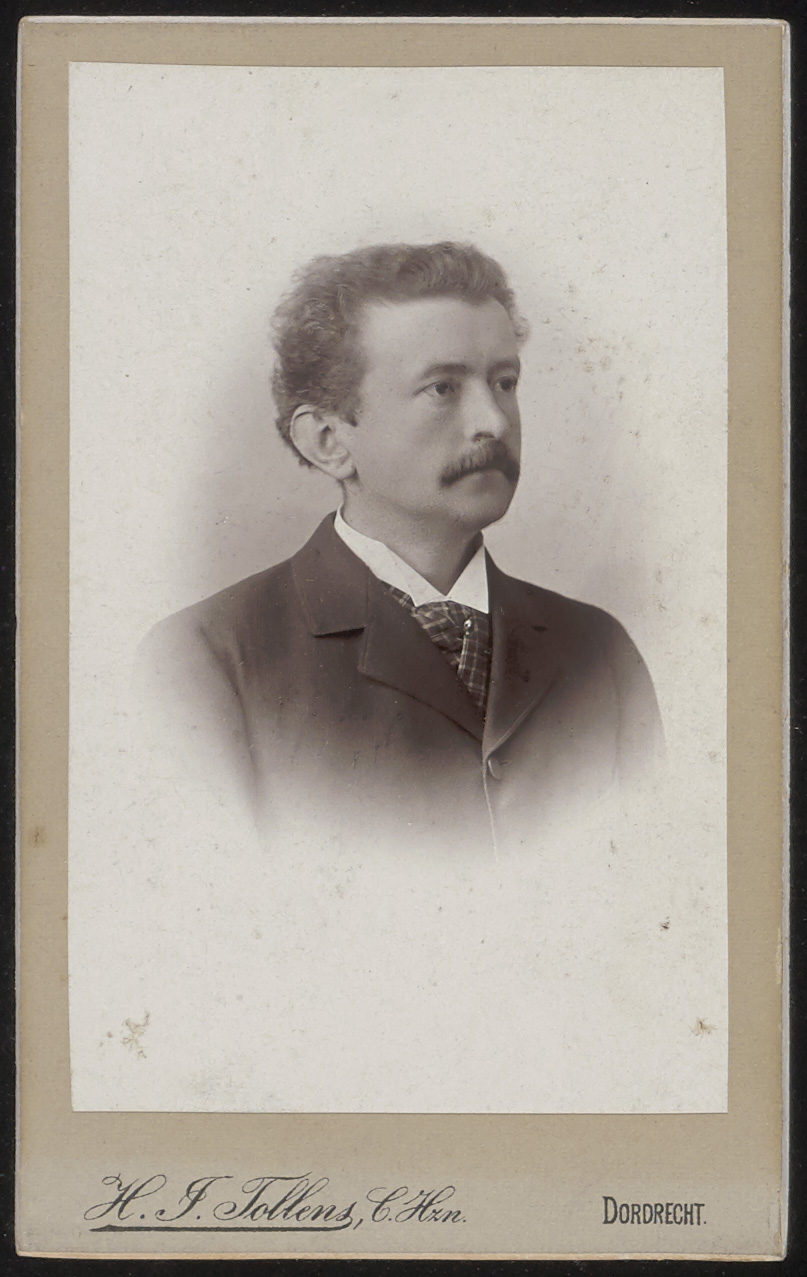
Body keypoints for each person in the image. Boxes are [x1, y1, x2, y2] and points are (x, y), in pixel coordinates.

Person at [141, 241, 662, 857]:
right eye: (442, 388)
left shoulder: (601, 652)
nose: (494, 421)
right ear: (329, 440)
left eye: (505, 382)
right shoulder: (208, 660)